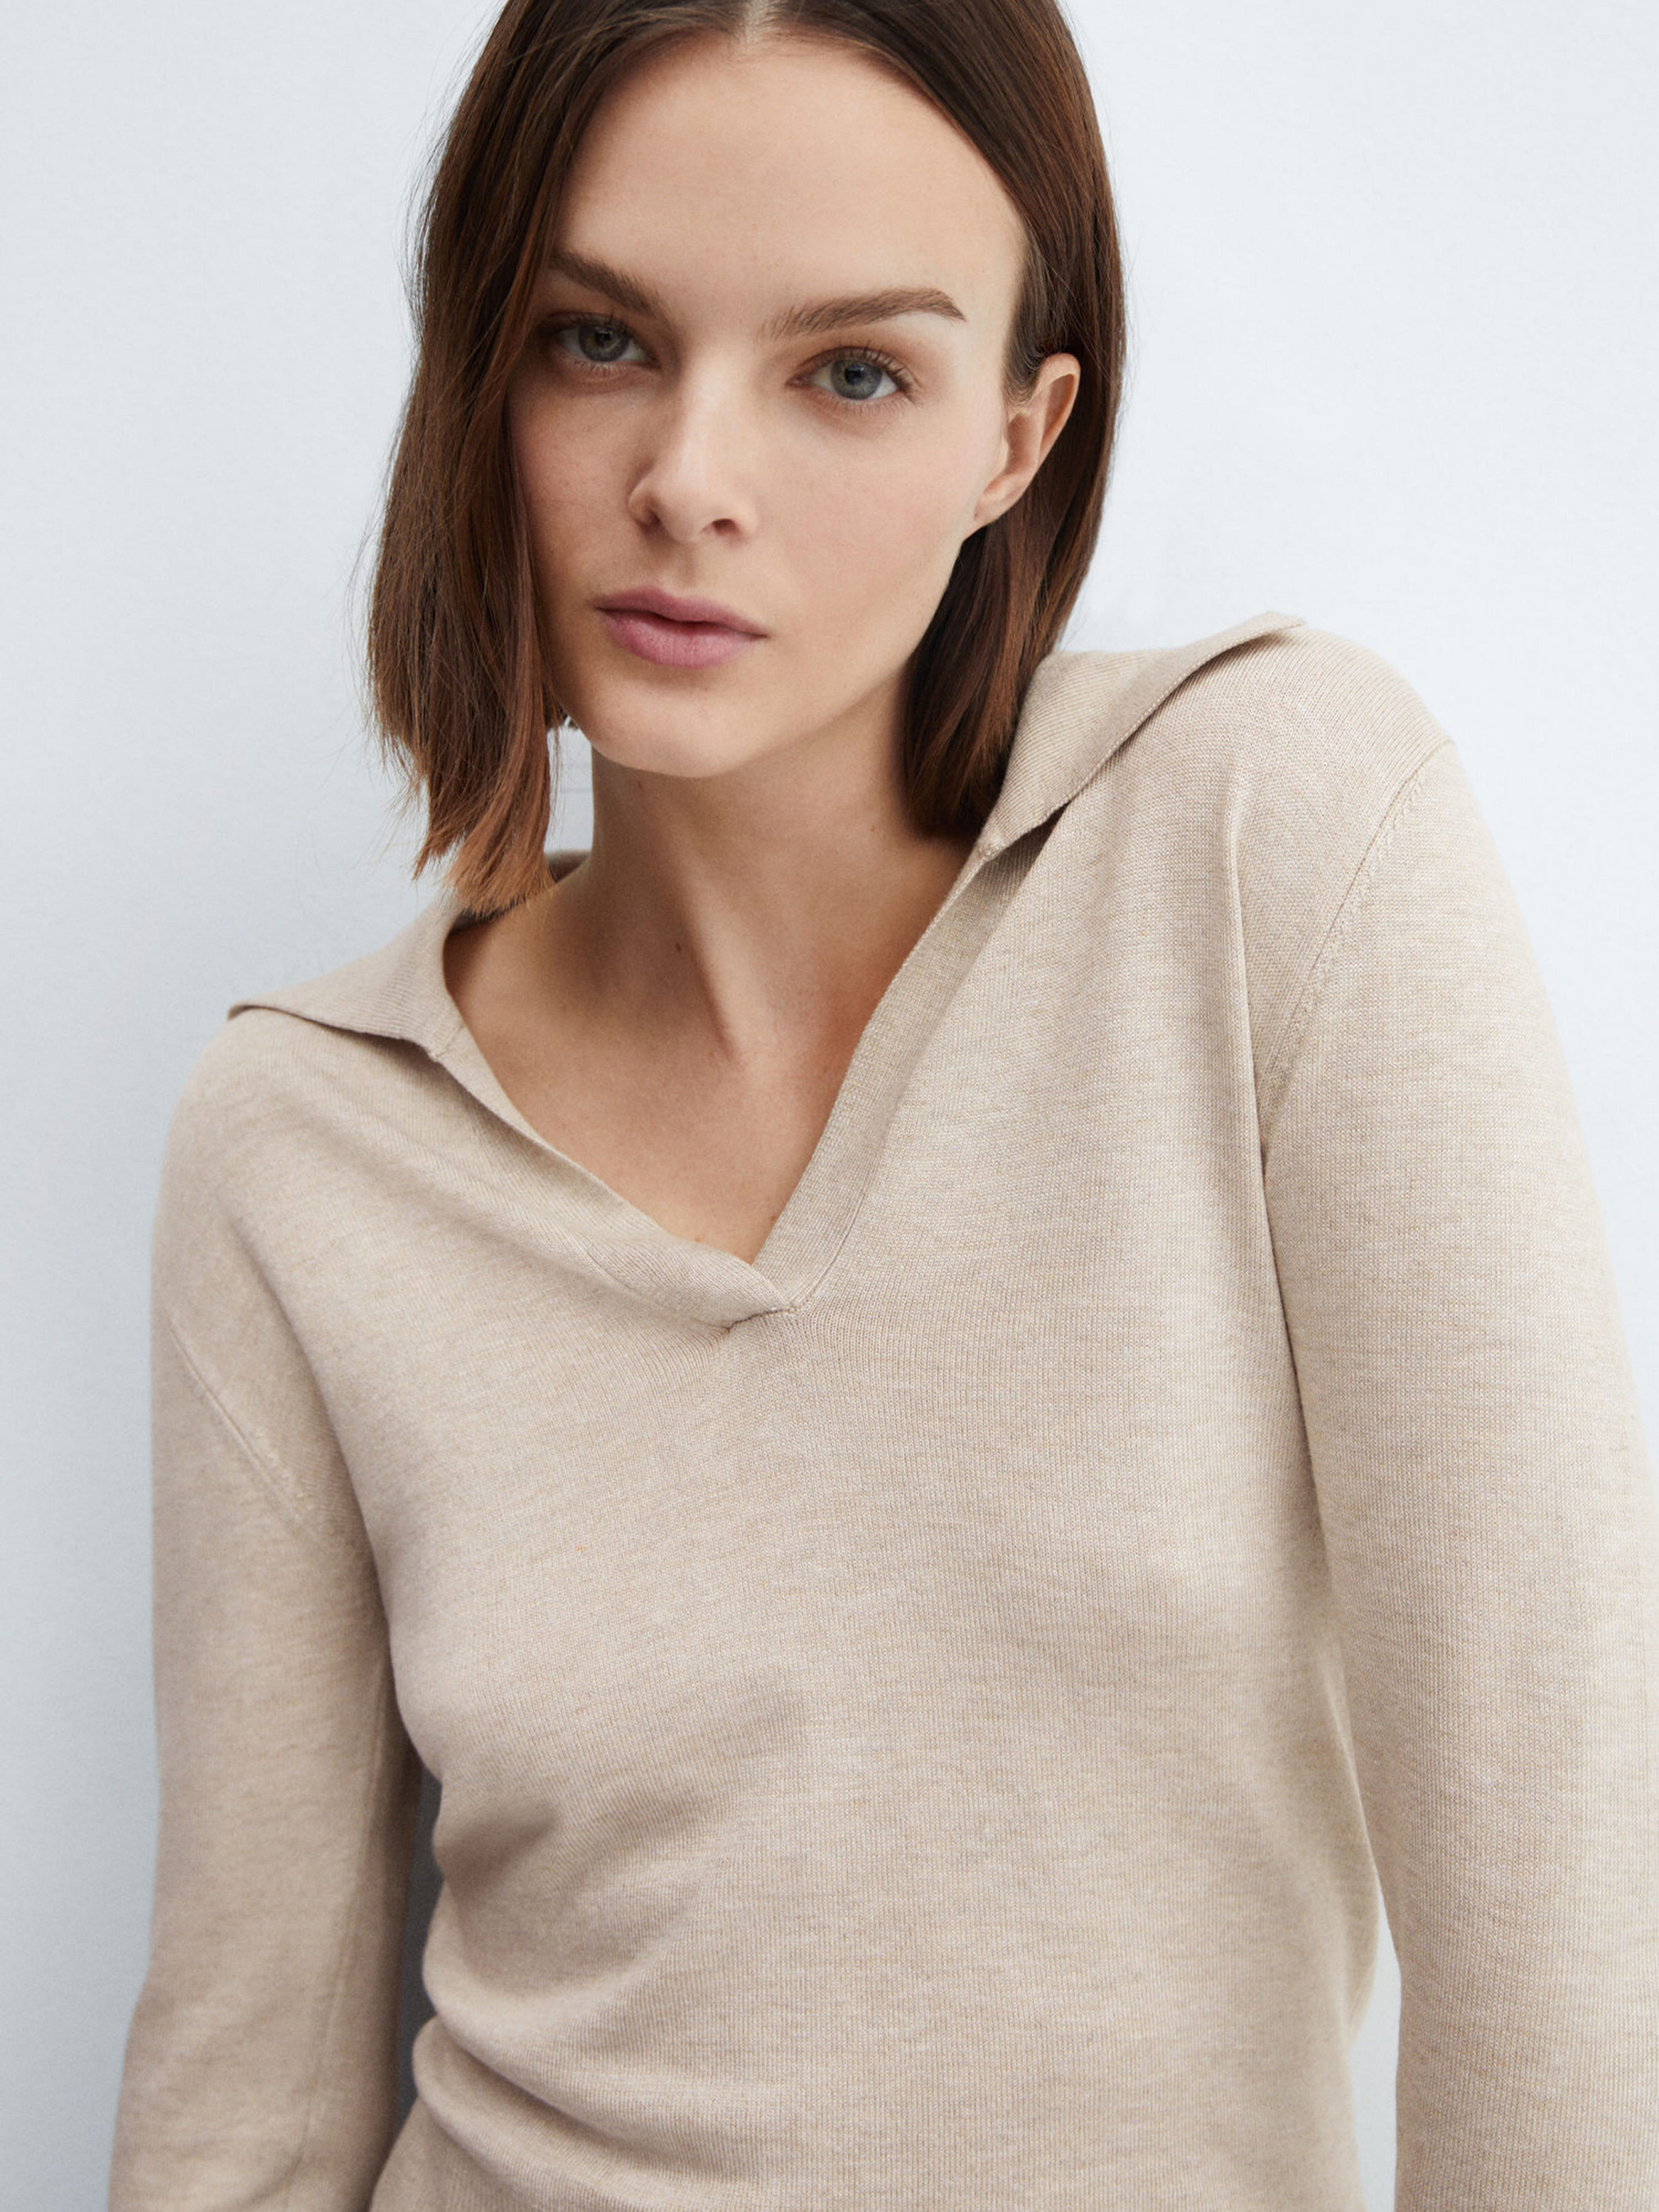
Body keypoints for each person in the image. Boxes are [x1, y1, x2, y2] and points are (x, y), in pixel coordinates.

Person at [108, 1, 1659, 2206]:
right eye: (596, 340)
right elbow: (242, 2086)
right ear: (480, 368)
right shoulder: (301, 1136)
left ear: (1018, 436)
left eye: (850, 373)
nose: (687, 479)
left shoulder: (1264, 840)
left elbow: (1561, 1903)